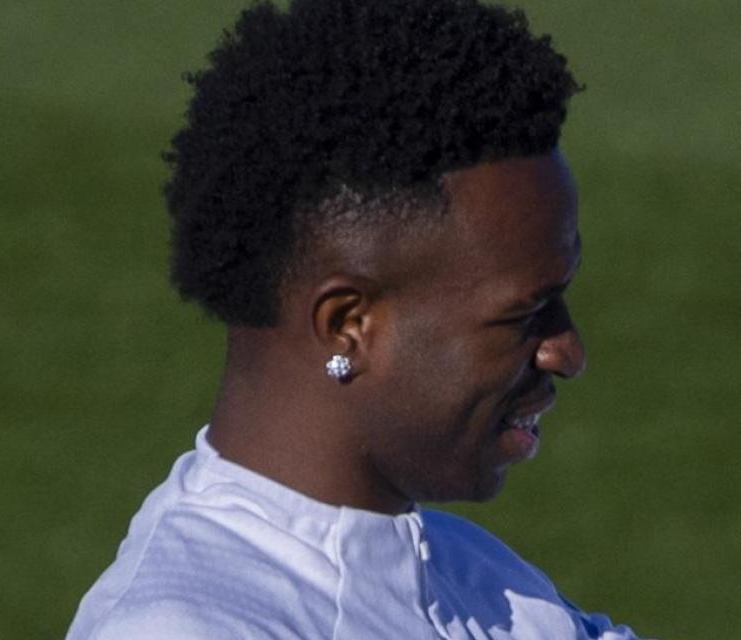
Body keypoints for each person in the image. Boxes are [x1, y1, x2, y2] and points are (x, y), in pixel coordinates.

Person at [66, 0, 639, 637]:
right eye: (526, 313)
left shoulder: (481, 578)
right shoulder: (186, 627)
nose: (568, 351)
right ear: (350, 325)